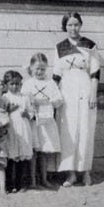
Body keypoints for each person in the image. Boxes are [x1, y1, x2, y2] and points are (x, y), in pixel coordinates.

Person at [53, 12, 100, 187]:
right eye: (69, 25)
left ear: (81, 25)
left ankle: (85, 171)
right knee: (68, 130)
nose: (73, 28)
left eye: (76, 24)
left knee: (86, 129)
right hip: (66, 91)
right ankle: (71, 174)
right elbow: (56, 74)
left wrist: (93, 94)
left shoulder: (90, 45)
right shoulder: (59, 47)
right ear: (65, 26)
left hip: (85, 89)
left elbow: (95, 72)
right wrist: (54, 97)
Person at [21, 53, 63, 188]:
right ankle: (33, 180)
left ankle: (44, 179)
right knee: (34, 151)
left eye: (42, 69)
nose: (39, 72)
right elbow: (23, 100)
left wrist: (48, 100)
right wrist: (32, 102)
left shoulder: (50, 83)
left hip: (47, 121)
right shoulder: (28, 84)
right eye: (37, 69)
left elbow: (59, 100)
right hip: (33, 121)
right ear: (31, 69)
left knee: (44, 151)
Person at [2, 70, 34, 193]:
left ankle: (20, 183)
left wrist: (27, 114)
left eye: (17, 84)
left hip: (23, 129)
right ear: (6, 85)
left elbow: (31, 113)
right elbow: (0, 114)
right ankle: (9, 184)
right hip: (11, 130)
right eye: (12, 84)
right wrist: (8, 110)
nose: (15, 86)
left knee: (22, 158)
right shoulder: (5, 97)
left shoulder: (24, 97)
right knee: (11, 157)